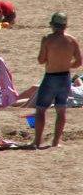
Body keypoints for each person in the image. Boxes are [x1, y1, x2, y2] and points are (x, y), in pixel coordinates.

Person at [32, 12, 82, 148]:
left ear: (53, 25)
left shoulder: (47, 39)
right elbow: (79, 62)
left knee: (41, 109)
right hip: (65, 77)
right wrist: (66, 64)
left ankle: (37, 141)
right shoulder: (72, 40)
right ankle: (55, 142)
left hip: (51, 77)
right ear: (65, 26)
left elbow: (41, 60)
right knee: (61, 110)